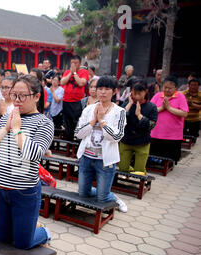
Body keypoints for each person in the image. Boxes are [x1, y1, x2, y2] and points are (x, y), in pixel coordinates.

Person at [0, 75, 53, 249]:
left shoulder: (44, 123)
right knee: (2, 238)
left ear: (36, 97)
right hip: (0, 188)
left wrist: (16, 130)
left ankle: (43, 233)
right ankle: (24, 228)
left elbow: (33, 153)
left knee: (23, 243)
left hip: (25, 192)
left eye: (22, 96)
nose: (16, 100)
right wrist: (6, 127)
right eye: (13, 95)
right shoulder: (7, 117)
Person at [75, 76, 128, 212]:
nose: (102, 92)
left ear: (114, 91)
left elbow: (117, 136)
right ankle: (102, 192)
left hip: (105, 160)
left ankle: (113, 197)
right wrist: (93, 121)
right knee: (83, 193)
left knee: (102, 198)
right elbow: (78, 133)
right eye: (100, 89)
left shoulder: (119, 112)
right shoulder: (88, 109)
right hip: (86, 157)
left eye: (107, 89)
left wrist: (102, 121)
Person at [119, 79, 158, 174]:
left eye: (139, 93)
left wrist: (139, 115)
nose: (136, 96)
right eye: (134, 92)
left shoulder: (151, 107)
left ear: (146, 92)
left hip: (142, 141)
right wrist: (129, 104)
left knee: (139, 170)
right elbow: (118, 120)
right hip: (126, 140)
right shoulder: (126, 104)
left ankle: (141, 175)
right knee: (122, 168)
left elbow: (151, 125)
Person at [150, 76, 189, 164]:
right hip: (156, 132)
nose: (167, 90)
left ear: (175, 88)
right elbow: (150, 110)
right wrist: (162, 108)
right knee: (153, 156)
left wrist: (169, 108)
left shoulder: (180, 97)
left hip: (172, 135)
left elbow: (184, 113)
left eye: (170, 88)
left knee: (169, 158)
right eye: (165, 87)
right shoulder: (157, 96)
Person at [60, 55, 89, 140]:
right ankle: (68, 139)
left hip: (77, 101)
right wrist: (70, 73)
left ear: (79, 63)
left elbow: (81, 83)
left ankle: (76, 138)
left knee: (76, 120)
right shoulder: (67, 72)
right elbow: (62, 82)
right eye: (72, 63)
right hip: (66, 100)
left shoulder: (84, 72)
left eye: (75, 63)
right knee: (67, 121)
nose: (73, 65)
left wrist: (75, 73)